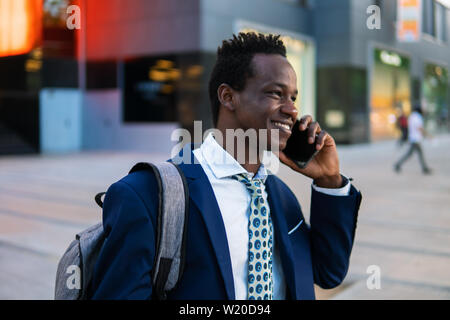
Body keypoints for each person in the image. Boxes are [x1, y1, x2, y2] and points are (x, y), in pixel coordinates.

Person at [88, 33, 362, 300]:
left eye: (292, 97)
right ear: (228, 97)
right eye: (276, 93)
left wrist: (329, 181)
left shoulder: (280, 195)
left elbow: (328, 273)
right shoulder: (146, 195)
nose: (291, 110)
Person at [394, 104, 432, 175]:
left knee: (412, 154)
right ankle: (424, 168)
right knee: (414, 154)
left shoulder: (412, 116)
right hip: (416, 139)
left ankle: (398, 164)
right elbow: (419, 128)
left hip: (413, 138)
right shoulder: (417, 117)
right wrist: (428, 135)